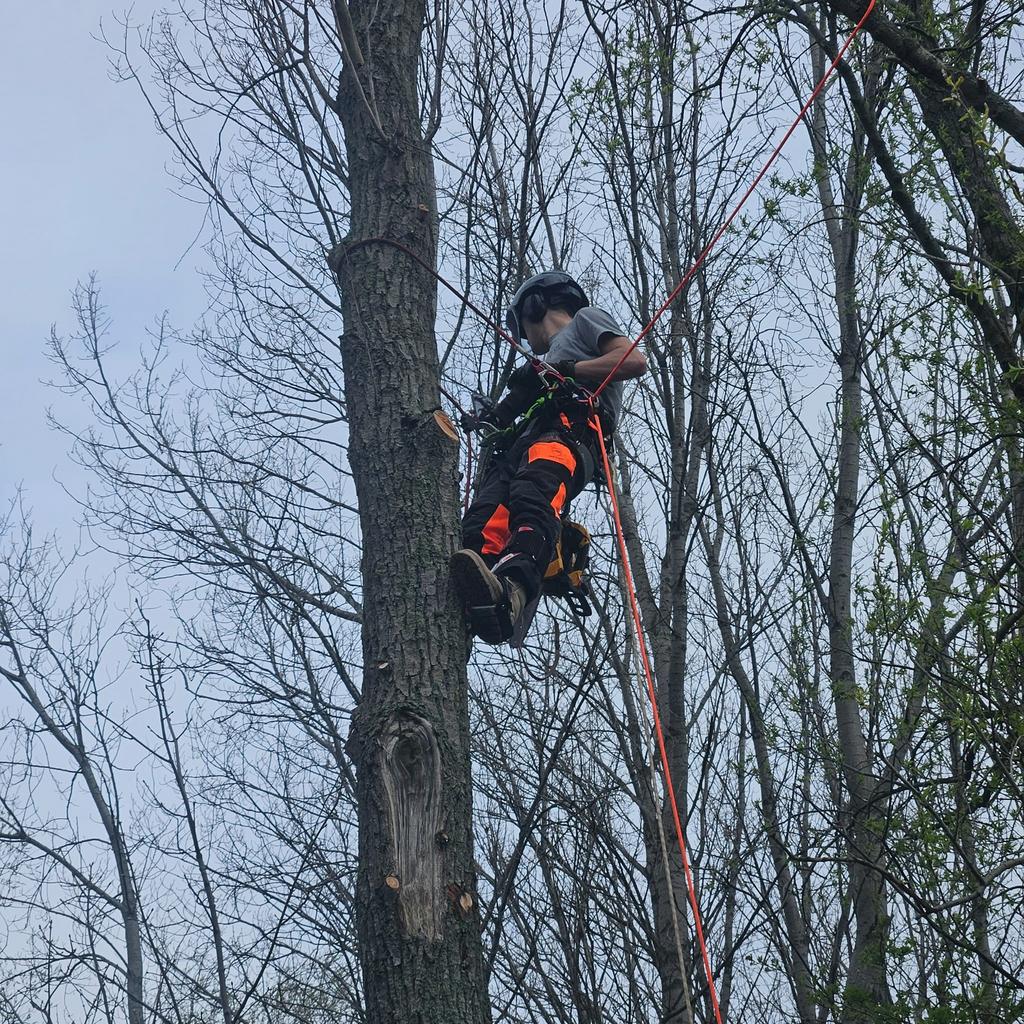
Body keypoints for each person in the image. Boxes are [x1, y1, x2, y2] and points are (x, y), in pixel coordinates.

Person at [449, 270, 647, 643]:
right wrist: (494, 415)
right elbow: (507, 412)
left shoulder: (586, 320)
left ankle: (514, 590)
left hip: (569, 431)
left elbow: (633, 360)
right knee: (482, 520)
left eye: (524, 326)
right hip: (526, 442)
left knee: (532, 496)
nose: (528, 340)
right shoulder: (539, 369)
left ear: (536, 304)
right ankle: (480, 587)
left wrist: (569, 371)